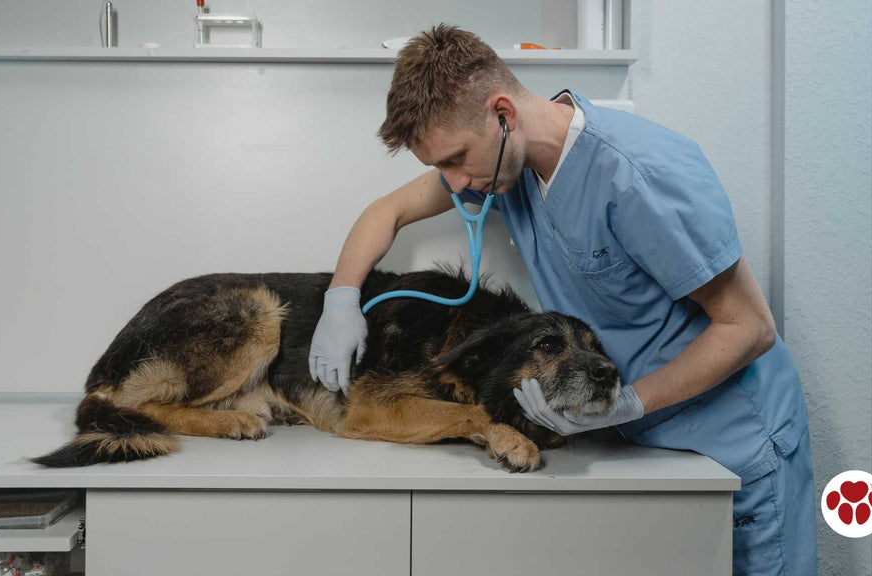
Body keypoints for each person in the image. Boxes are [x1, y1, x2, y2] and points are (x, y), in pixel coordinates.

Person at [308, 24, 816, 575]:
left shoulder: (637, 176)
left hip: (730, 446)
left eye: (456, 158)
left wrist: (632, 403)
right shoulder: (511, 165)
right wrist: (341, 297)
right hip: (640, 449)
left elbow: (749, 327)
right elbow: (387, 212)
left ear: (503, 114)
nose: (455, 183)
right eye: (441, 169)